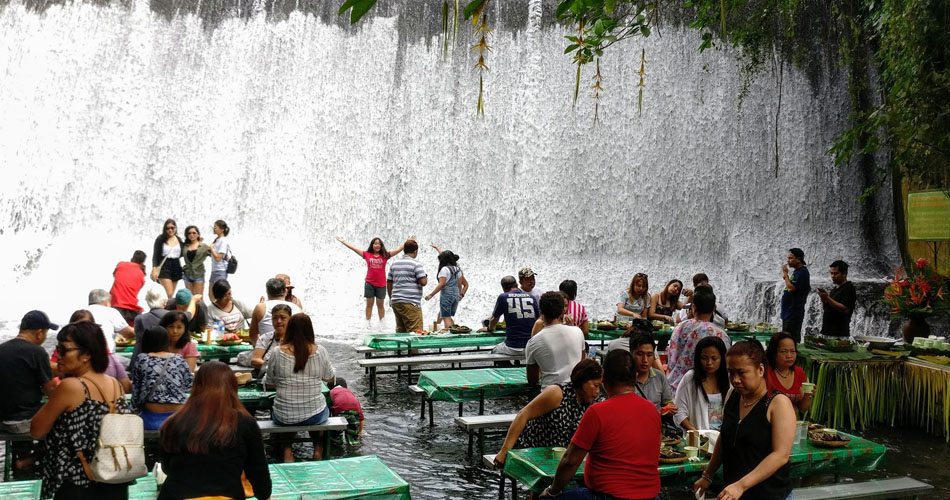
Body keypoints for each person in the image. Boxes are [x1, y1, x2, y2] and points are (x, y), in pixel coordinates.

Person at [539, 350, 661, 500]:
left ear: (604, 378)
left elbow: (570, 462)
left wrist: (552, 491)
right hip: (650, 496)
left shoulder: (597, 412)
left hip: (607, 495)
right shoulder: (652, 410)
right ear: (635, 378)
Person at [32, 321, 130, 500]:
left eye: (64, 349)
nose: (58, 355)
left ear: (86, 355)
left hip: (79, 482)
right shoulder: (116, 385)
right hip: (113, 479)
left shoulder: (71, 386)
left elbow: (37, 429)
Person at [694, 341, 795, 500]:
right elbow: (725, 437)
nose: (735, 380)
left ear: (760, 369)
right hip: (734, 494)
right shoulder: (732, 395)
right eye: (731, 372)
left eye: (742, 373)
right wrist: (707, 475)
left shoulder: (778, 403)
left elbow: (781, 455)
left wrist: (741, 485)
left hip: (770, 494)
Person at [157, 361, 271, 500]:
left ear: (196, 386)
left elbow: (166, 468)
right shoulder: (244, 423)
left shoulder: (173, 422)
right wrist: (264, 495)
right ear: (232, 387)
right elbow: (258, 471)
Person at [495, 359, 603, 466]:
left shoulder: (592, 404)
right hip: (532, 451)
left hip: (559, 457)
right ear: (582, 382)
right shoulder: (557, 394)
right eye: (595, 385)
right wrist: (504, 451)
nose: (597, 391)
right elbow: (523, 415)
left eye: (600, 387)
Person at [266, 313, 336, 462]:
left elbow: (269, 382)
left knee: (287, 412)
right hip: (315, 414)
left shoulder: (277, 352)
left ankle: (287, 450)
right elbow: (329, 378)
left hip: (284, 416)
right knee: (318, 409)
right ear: (310, 330)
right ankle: (317, 449)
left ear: (289, 330)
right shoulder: (320, 351)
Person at [0, 311, 57, 474]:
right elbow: (51, 390)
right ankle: (29, 461)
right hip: (24, 422)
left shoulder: (2, 349)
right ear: (39, 333)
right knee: (67, 424)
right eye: (46, 333)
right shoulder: (36, 352)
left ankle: (22, 457)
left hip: (3, 420)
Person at [666, 286, 731, 390]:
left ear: (693, 307)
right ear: (714, 308)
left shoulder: (679, 327)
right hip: (704, 391)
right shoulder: (720, 334)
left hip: (674, 388)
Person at [131, 325, 193, 431]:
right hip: (179, 418)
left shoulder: (142, 359)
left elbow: (136, 391)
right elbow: (188, 386)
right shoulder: (179, 359)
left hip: (152, 417)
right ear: (166, 340)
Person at [336, 235, 408, 322]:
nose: (377, 245)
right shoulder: (367, 254)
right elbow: (354, 249)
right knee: (369, 305)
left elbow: (397, 250)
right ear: (372, 245)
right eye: (375, 244)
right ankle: (368, 324)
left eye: (379, 244)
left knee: (380, 305)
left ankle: (381, 324)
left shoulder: (385, 255)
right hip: (369, 283)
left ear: (381, 246)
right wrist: (344, 241)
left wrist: (407, 241)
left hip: (381, 284)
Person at [525, 292, 586, 387]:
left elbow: (532, 379)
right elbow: (581, 362)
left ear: (541, 311)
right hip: (576, 391)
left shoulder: (533, 342)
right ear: (562, 310)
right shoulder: (578, 331)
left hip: (549, 394)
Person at [674, 336, 729, 431]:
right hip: (698, 440)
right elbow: (679, 412)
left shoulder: (729, 379)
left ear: (722, 359)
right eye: (704, 358)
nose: (709, 362)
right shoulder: (690, 378)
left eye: (714, 358)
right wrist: (696, 434)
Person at [132, 285, 198, 364]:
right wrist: (193, 300)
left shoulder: (139, 319)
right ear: (164, 302)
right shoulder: (174, 317)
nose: (175, 331)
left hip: (140, 363)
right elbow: (190, 313)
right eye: (171, 327)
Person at [483, 276, 538, 357]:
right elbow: (538, 319)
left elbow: (494, 319)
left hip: (513, 346)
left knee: (495, 351)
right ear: (516, 285)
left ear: (503, 288)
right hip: (531, 346)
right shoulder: (531, 298)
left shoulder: (503, 297)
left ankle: (506, 368)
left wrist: (489, 328)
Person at [766, 332, 814, 414]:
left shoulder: (799, 372)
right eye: (784, 351)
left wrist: (807, 396)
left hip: (792, 422)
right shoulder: (765, 372)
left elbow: (802, 409)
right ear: (773, 353)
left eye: (793, 351)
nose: (789, 355)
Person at [387, 239, 427, 333]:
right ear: (415, 251)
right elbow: (423, 282)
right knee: (415, 334)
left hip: (396, 302)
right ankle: (413, 348)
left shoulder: (394, 264)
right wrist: (425, 276)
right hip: (411, 303)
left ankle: (399, 348)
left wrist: (391, 298)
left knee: (401, 333)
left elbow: (389, 282)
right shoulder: (416, 264)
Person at [629, 333, 675, 413]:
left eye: (649, 355)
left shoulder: (659, 376)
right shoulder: (624, 378)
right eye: (640, 354)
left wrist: (670, 409)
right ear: (631, 354)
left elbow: (667, 402)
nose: (645, 360)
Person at [424, 245, 469, 329]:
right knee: (445, 314)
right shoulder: (458, 270)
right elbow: (466, 284)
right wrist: (461, 294)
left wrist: (431, 294)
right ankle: (437, 328)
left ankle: (451, 334)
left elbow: (441, 284)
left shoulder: (444, 270)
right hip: (455, 296)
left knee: (446, 317)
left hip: (447, 296)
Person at [249, 278, 301, 346]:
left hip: (267, 351)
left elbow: (252, 334)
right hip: (292, 351)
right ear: (286, 291)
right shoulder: (297, 308)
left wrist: (259, 349)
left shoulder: (260, 307)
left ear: (267, 291)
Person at [86, 288, 135, 353]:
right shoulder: (110, 312)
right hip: (105, 355)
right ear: (106, 302)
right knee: (129, 362)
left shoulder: (81, 312)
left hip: (84, 355)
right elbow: (129, 333)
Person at [251, 304, 292, 378]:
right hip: (266, 378)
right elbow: (255, 360)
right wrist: (275, 368)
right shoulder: (265, 338)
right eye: (275, 318)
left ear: (290, 319)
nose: (279, 321)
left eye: (283, 318)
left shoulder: (297, 338)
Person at [818, 260, 856, 337]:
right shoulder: (835, 289)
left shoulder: (848, 288)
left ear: (844, 274)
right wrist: (824, 300)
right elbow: (828, 308)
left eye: (836, 273)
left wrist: (828, 298)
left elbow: (845, 308)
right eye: (831, 273)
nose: (832, 276)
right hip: (827, 332)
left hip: (839, 334)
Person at [780, 247, 811, 342]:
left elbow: (791, 288)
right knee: (787, 339)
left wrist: (785, 275)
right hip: (788, 312)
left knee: (791, 339)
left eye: (790, 258)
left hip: (793, 313)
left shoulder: (802, 272)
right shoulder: (797, 272)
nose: (788, 261)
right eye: (787, 258)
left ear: (799, 259)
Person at [110, 250, 147, 325]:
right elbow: (139, 286)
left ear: (132, 259)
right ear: (142, 263)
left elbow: (114, 274)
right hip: (131, 308)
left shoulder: (121, 264)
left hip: (114, 303)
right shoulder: (141, 275)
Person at [152, 219, 184, 298]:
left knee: (171, 294)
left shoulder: (179, 239)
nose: (170, 230)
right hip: (164, 266)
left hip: (176, 265)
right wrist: (154, 269)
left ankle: (166, 308)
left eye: (172, 228)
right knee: (169, 293)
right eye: (167, 228)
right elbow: (155, 255)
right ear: (164, 229)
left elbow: (184, 251)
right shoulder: (160, 239)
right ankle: (164, 308)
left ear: (175, 228)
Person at [329, 379, 364, 444]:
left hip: (340, 413)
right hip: (354, 413)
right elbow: (361, 418)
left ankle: (337, 446)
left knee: (336, 437)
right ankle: (353, 447)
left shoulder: (331, 392)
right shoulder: (350, 392)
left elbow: (328, 411)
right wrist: (360, 432)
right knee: (353, 438)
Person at [181, 225, 212, 298]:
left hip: (199, 274)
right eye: (189, 233)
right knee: (190, 298)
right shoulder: (185, 246)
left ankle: (202, 310)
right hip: (187, 274)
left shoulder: (203, 246)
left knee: (199, 298)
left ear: (198, 234)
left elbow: (214, 255)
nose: (192, 235)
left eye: (194, 233)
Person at [208, 220, 231, 300]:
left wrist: (211, 248)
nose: (214, 229)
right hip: (214, 270)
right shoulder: (217, 239)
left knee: (220, 295)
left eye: (215, 227)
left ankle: (223, 311)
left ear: (222, 229)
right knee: (211, 294)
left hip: (220, 271)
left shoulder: (223, 241)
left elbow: (218, 258)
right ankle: (216, 311)